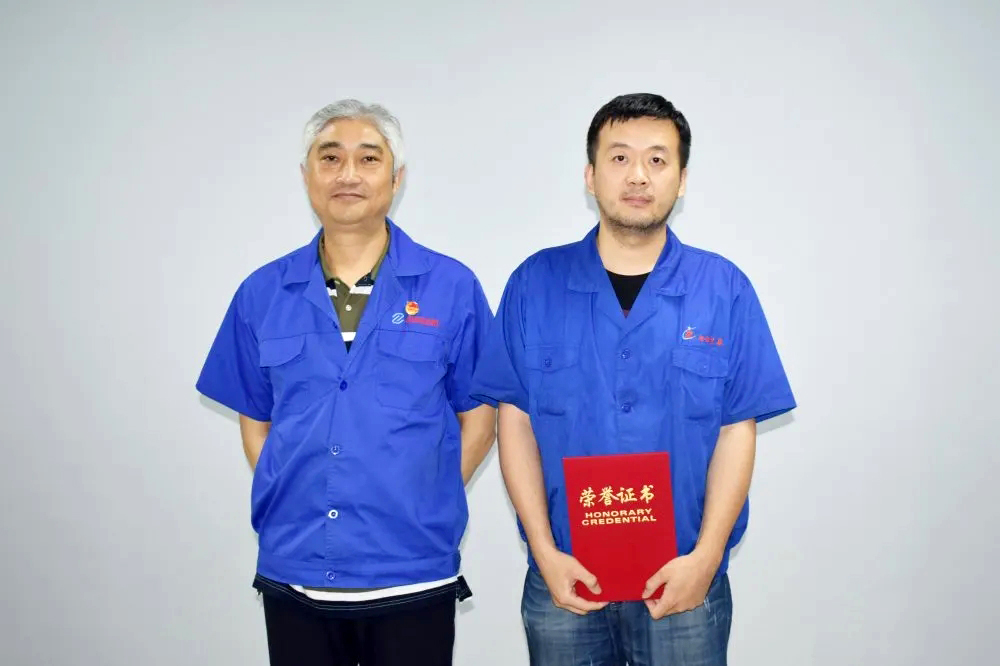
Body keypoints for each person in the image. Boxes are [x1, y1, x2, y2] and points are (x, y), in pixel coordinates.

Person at [469, 93, 796, 665]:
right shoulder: (535, 283)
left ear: (682, 179)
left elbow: (735, 430)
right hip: (564, 574)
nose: (638, 175)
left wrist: (706, 559)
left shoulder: (723, 290)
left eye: (657, 159)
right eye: (619, 158)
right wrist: (543, 550)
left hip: (684, 577)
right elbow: (513, 422)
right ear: (590, 176)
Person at [196, 99, 496, 666]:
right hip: (296, 571)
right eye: (330, 158)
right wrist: (297, 492)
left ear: (396, 178)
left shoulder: (451, 286)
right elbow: (256, 421)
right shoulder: (263, 293)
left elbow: (480, 417)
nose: (348, 174)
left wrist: (423, 494)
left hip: (413, 571)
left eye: (368, 158)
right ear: (307, 175)